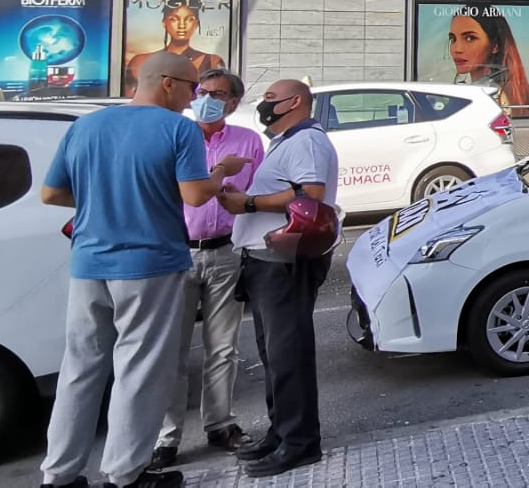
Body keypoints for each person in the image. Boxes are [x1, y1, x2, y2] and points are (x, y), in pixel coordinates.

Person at [39, 52, 248, 488]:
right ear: (168, 84)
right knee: (139, 369)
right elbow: (194, 196)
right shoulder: (178, 129)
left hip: (88, 264)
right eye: (193, 88)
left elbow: (51, 193)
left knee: (80, 368)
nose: (196, 99)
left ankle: (58, 475)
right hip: (149, 264)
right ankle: (125, 475)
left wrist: (107, 199)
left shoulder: (86, 126)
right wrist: (221, 172)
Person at [218, 79, 338, 476]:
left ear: (296, 101)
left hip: (284, 259)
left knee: (289, 355)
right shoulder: (286, 140)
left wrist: (248, 202)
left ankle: (301, 443)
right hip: (265, 257)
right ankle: (280, 432)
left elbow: (311, 192)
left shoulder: (306, 140)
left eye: (270, 98)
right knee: (273, 354)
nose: (263, 104)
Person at [152, 69, 267, 470]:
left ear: (233, 102)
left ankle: (220, 424)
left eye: (218, 94)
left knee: (223, 348)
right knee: (173, 351)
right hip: (177, 252)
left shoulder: (248, 141)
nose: (207, 98)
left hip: (225, 252)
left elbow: (258, 194)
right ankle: (167, 438)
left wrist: (243, 196)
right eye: (202, 91)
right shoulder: (174, 135)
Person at [124, 0, 227, 97]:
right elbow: (129, 100)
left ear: (196, 24)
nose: (181, 25)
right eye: (174, 19)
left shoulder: (213, 61)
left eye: (189, 19)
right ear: (164, 23)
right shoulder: (140, 62)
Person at [448, 10, 529, 115]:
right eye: (453, 39)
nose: (457, 49)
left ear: (495, 45)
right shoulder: (486, 89)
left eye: (469, 38)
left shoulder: (492, 92)